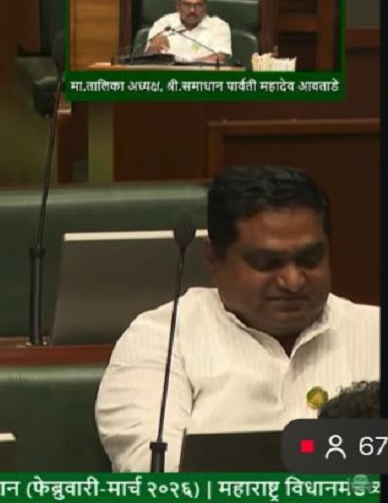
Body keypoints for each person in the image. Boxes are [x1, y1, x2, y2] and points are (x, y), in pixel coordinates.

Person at [95, 165, 379, 472]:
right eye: (267, 263)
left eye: (309, 259)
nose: (293, 281)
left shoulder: (372, 331)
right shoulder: (160, 340)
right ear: (213, 258)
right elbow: (156, 472)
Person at [143, 0, 232, 64]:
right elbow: (149, 57)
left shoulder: (218, 26)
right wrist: (153, 48)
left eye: (198, 5)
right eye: (187, 5)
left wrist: (185, 65)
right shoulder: (164, 24)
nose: (192, 10)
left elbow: (220, 58)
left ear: (205, 7)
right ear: (178, 6)